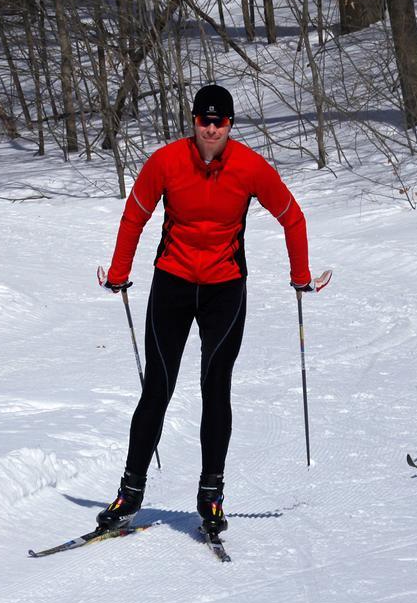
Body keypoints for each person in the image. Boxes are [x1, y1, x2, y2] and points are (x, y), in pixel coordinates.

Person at [97, 83, 313, 534]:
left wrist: (300, 277)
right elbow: (134, 216)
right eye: (204, 120)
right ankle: (129, 494)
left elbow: (292, 216)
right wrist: (119, 272)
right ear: (193, 121)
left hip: (225, 289)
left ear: (230, 125)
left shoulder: (251, 167)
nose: (211, 129)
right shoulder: (165, 162)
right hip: (172, 284)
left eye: (220, 122)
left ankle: (210, 497)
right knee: (157, 387)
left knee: (216, 387)